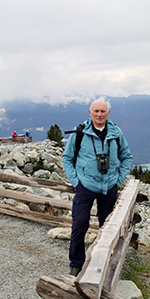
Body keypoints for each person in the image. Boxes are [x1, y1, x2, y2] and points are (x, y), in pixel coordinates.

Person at [62, 98, 132, 276]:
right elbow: (67, 158)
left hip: (109, 187)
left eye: (103, 111)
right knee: (79, 225)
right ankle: (76, 264)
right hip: (85, 186)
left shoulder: (116, 133)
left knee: (107, 227)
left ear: (108, 113)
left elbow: (127, 157)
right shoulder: (79, 133)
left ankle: (103, 261)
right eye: (96, 111)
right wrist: (76, 182)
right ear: (90, 112)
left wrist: (118, 180)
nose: (99, 114)